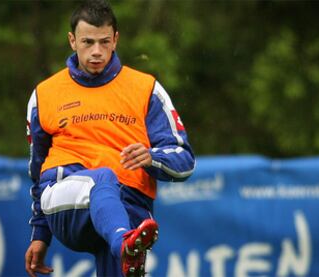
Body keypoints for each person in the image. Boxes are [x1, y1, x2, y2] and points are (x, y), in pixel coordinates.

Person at [24, 0, 195, 276]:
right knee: (102, 178)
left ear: (115, 39)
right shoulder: (45, 94)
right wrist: (40, 233)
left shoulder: (146, 88)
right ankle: (124, 245)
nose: (96, 52)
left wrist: (153, 158)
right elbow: (37, 168)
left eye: (104, 42)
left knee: (116, 210)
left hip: (128, 210)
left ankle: (125, 246)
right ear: (72, 40)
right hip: (67, 202)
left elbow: (185, 160)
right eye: (87, 42)